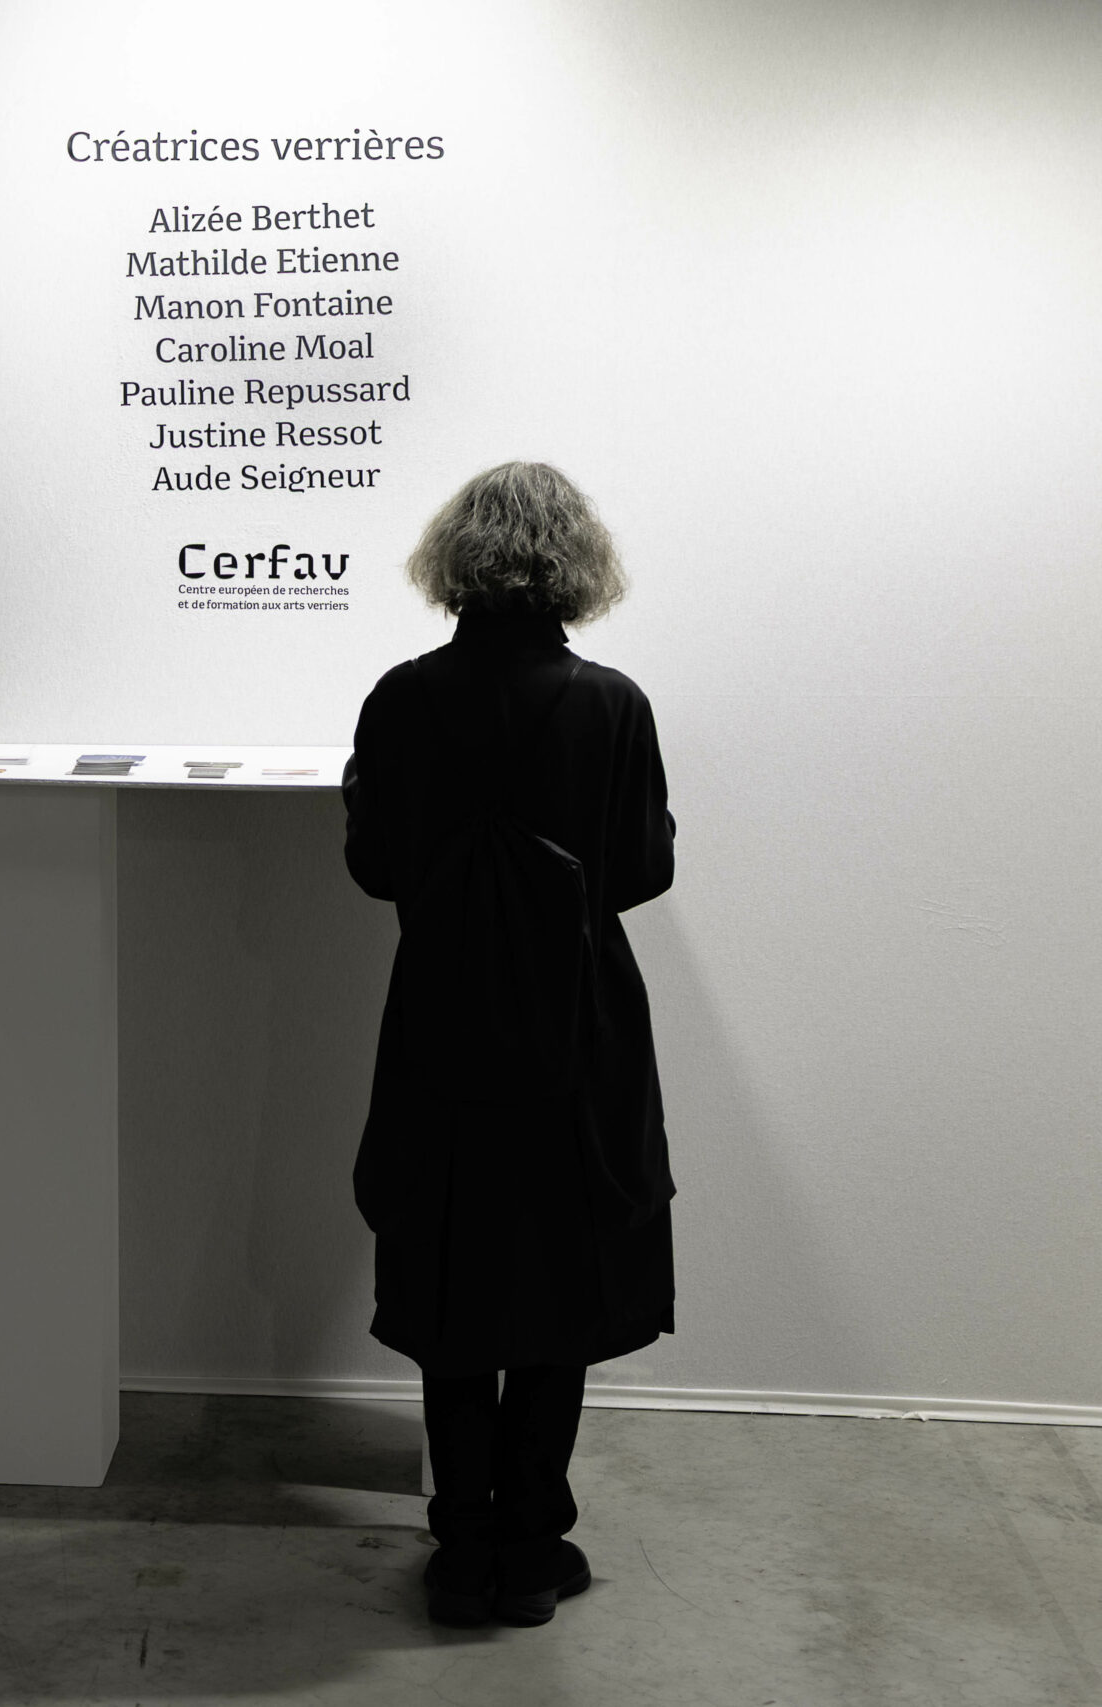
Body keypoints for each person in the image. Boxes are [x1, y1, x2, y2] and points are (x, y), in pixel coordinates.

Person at [340, 462, 676, 1630]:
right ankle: (531, 1549)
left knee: (450, 1272)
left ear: (456, 561)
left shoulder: (399, 698)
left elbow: (374, 865)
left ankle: (461, 1549)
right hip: (578, 1025)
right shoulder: (611, 705)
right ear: (577, 564)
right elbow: (641, 871)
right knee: (558, 1276)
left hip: (440, 1017)